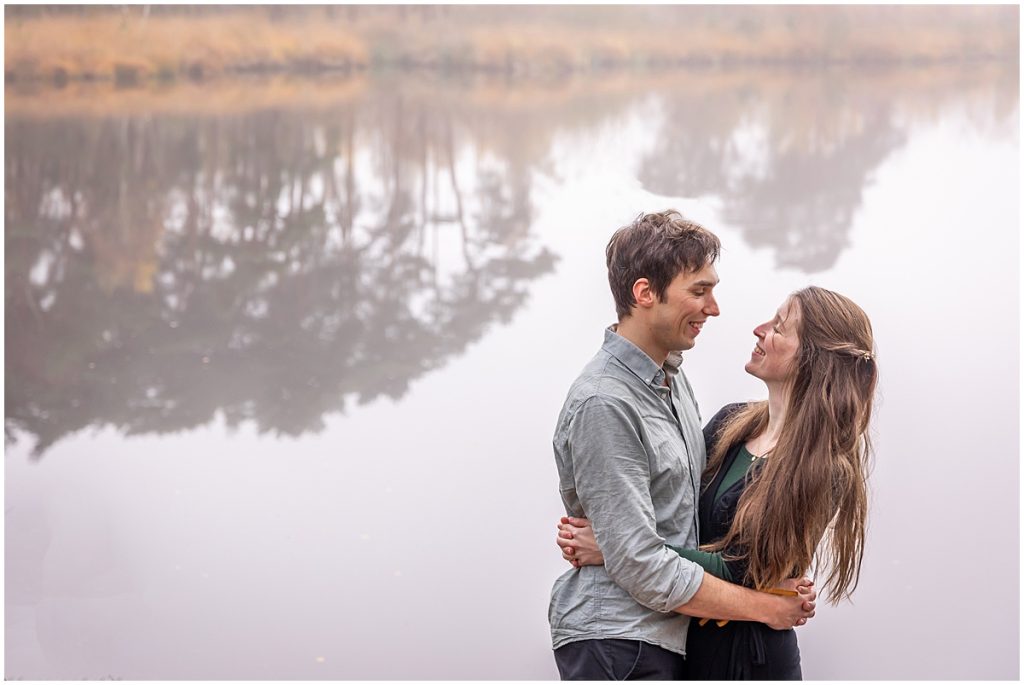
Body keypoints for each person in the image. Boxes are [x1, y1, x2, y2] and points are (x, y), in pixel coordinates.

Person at [557, 285, 877, 679]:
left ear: (812, 358)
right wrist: (624, 538)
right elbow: (678, 503)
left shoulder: (824, 468)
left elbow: (747, 571)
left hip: (749, 658)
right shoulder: (731, 423)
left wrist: (616, 549)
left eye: (779, 327)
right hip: (687, 640)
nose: (760, 330)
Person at [549, 210, 816, 681]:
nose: (713, 308)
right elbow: (641, 562)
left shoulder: (671, 382)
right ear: (645, 293)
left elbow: (680, 528)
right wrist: (764, 607)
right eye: (699, 291)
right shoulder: (605, 402)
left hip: (662, 639)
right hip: (618, 641)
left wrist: (775, 584)